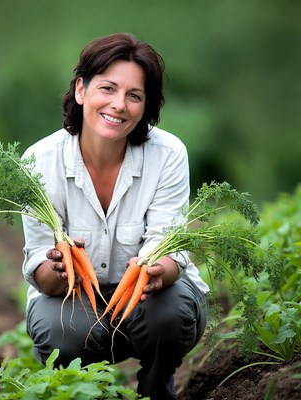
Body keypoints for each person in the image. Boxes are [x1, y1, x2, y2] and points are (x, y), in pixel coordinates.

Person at [21, 32, 209, 399]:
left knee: (172, 310)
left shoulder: (168, 155)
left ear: (145, 106)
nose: (119, 105)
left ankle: (158, 385)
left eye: (134, 95)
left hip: (147, 304)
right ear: (81, 90)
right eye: (107, 88)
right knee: (59, 329)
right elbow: (40, 272)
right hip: (75, 303)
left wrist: (157, 271)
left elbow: (171, 249)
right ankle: (85, 389)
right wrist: (60, 268)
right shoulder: (39, 162)